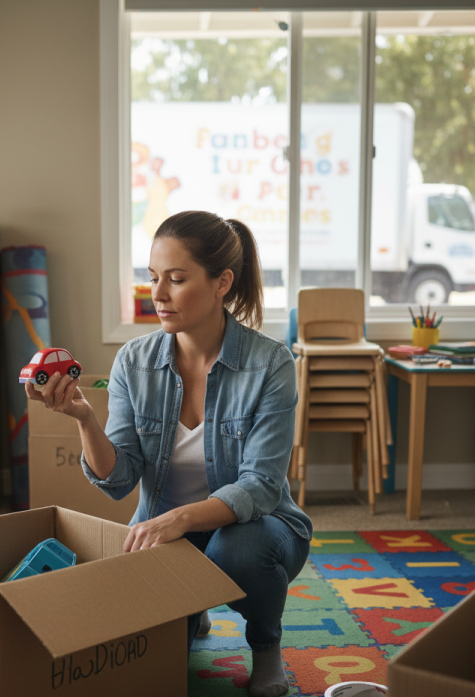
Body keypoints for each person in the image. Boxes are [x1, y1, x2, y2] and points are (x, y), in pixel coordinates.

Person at [25, 210, 312, 697]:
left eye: (176, 280)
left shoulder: (270, 363)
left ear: (222, 283)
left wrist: (178, 520)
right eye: (153, 277)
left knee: (237, 551)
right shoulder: (134, 361)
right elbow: (119, 480)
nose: (157, 294)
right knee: (149, 667)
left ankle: (266, 644)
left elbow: (261, 487)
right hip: (164, 535)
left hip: (257, 531)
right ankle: (192, 605)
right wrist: (84, 419)